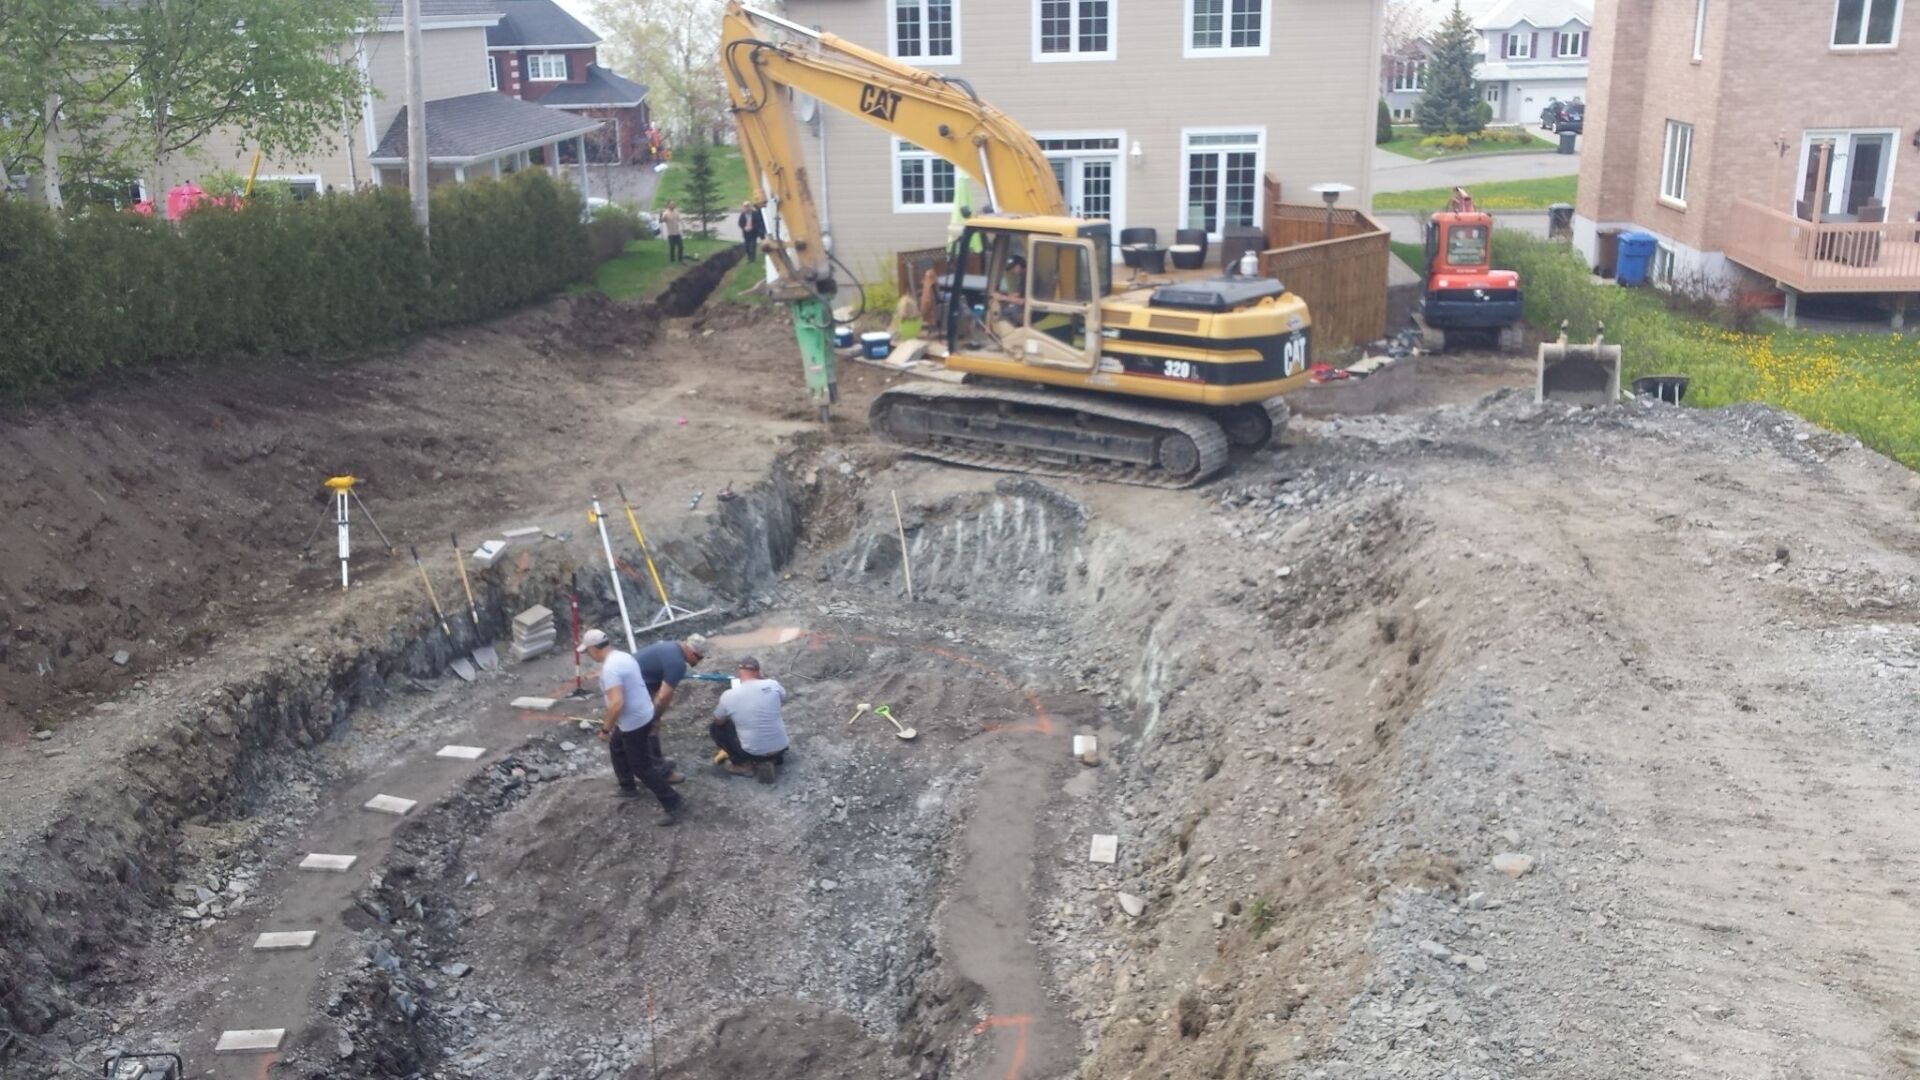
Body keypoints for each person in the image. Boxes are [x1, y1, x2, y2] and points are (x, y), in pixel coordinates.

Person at [580, 629, 686, 825]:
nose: (588, 655)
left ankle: (673, 802)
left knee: (641, 767)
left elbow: (616, 703)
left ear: (594, 649)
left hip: (633, 722)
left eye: (587, 651)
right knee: (617, 747)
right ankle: (627, 787)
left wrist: (605, 729)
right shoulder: (623, 656)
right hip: (644, 713)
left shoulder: (611, 668)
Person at [633, 634, 711, 784]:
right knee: (649, 730)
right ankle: (660, 772)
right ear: (690, 651)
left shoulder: (670, 648)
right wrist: (655, 717)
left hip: (636, 684)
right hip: (634, 689)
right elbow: (663, 697)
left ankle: (653, 762)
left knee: (647, 728)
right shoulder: (677, 664)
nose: (698, 662)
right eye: (698, 658)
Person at [710, 656, 790, 784]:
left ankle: (744, 765)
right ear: (759, 671)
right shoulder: (773, 684)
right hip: (781, 747)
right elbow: (782, 697)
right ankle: (772, 759)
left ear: (739, 674)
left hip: (752, 753)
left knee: (716, 728)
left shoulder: (729, 695)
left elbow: (719, 721)